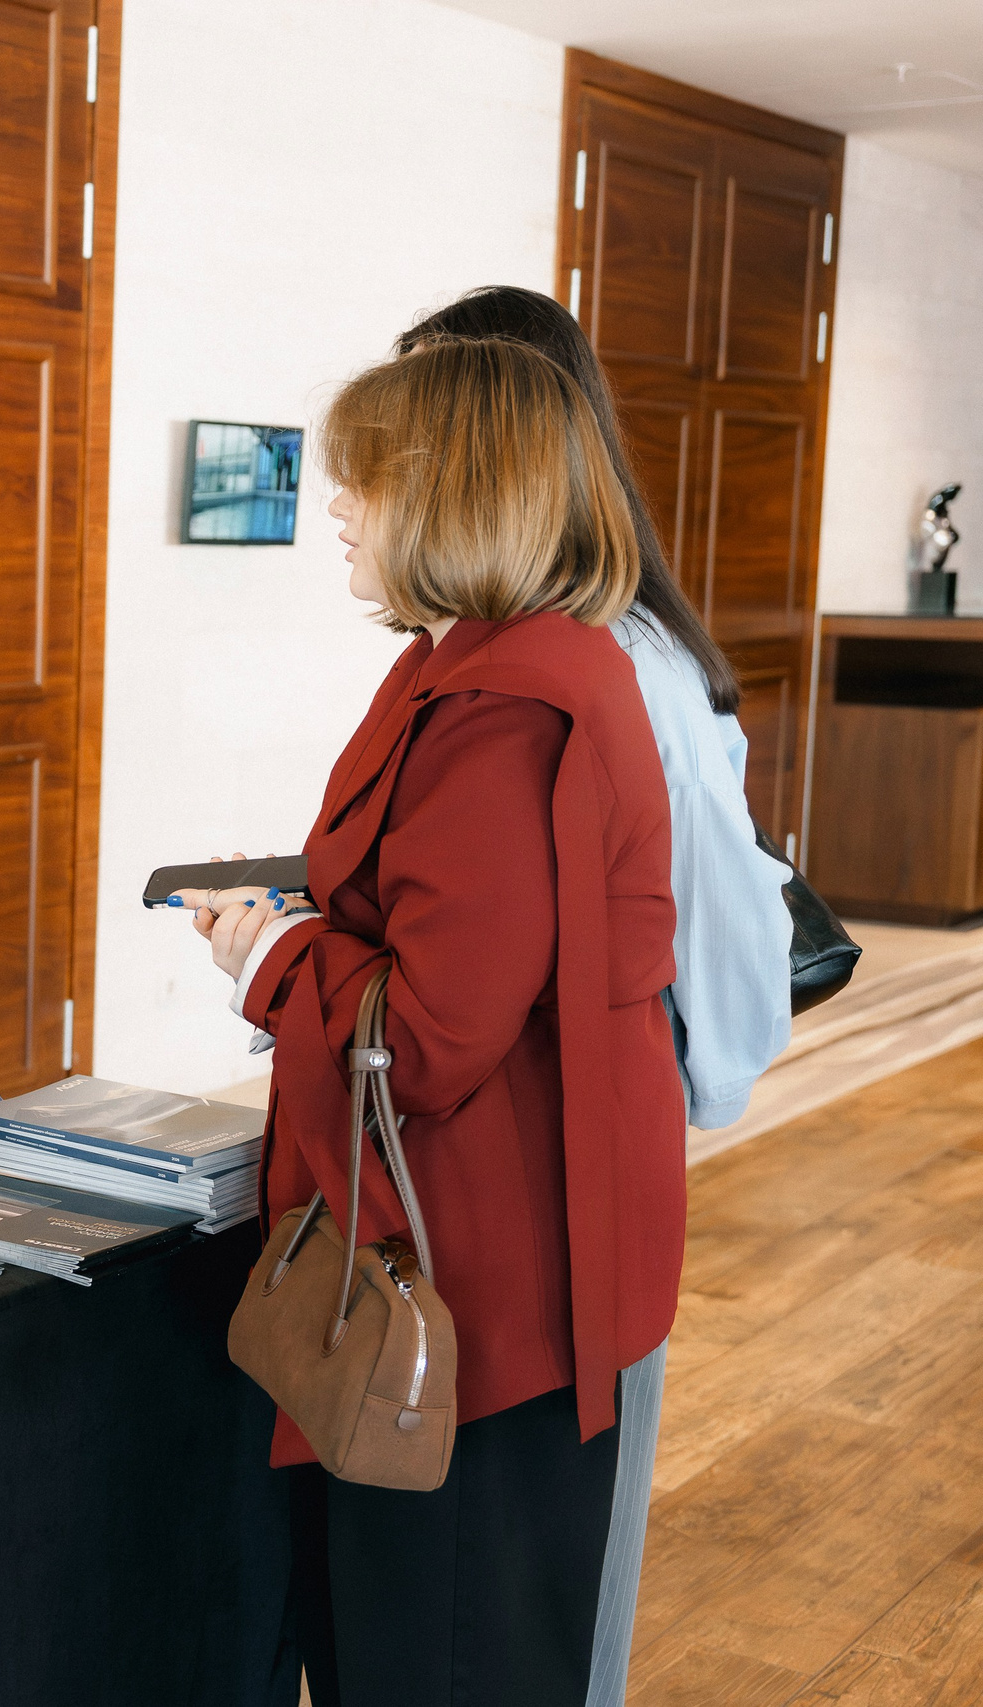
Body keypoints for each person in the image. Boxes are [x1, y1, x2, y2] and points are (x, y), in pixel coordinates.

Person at [174, 338, 682, 1707]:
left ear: (451, 492)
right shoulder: (472, 667)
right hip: (467, 1242)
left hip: (478, 1279)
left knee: (438, 1651)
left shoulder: (507, 711)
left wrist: (277, 954)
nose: (336, 508)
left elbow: (438, 1032)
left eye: (363, 481)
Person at [394, 286, 792, 1707]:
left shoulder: (615, 668)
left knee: (556, 1600)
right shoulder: (496, 651)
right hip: (512, 1162)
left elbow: (727, 948)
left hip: (577, 1167)